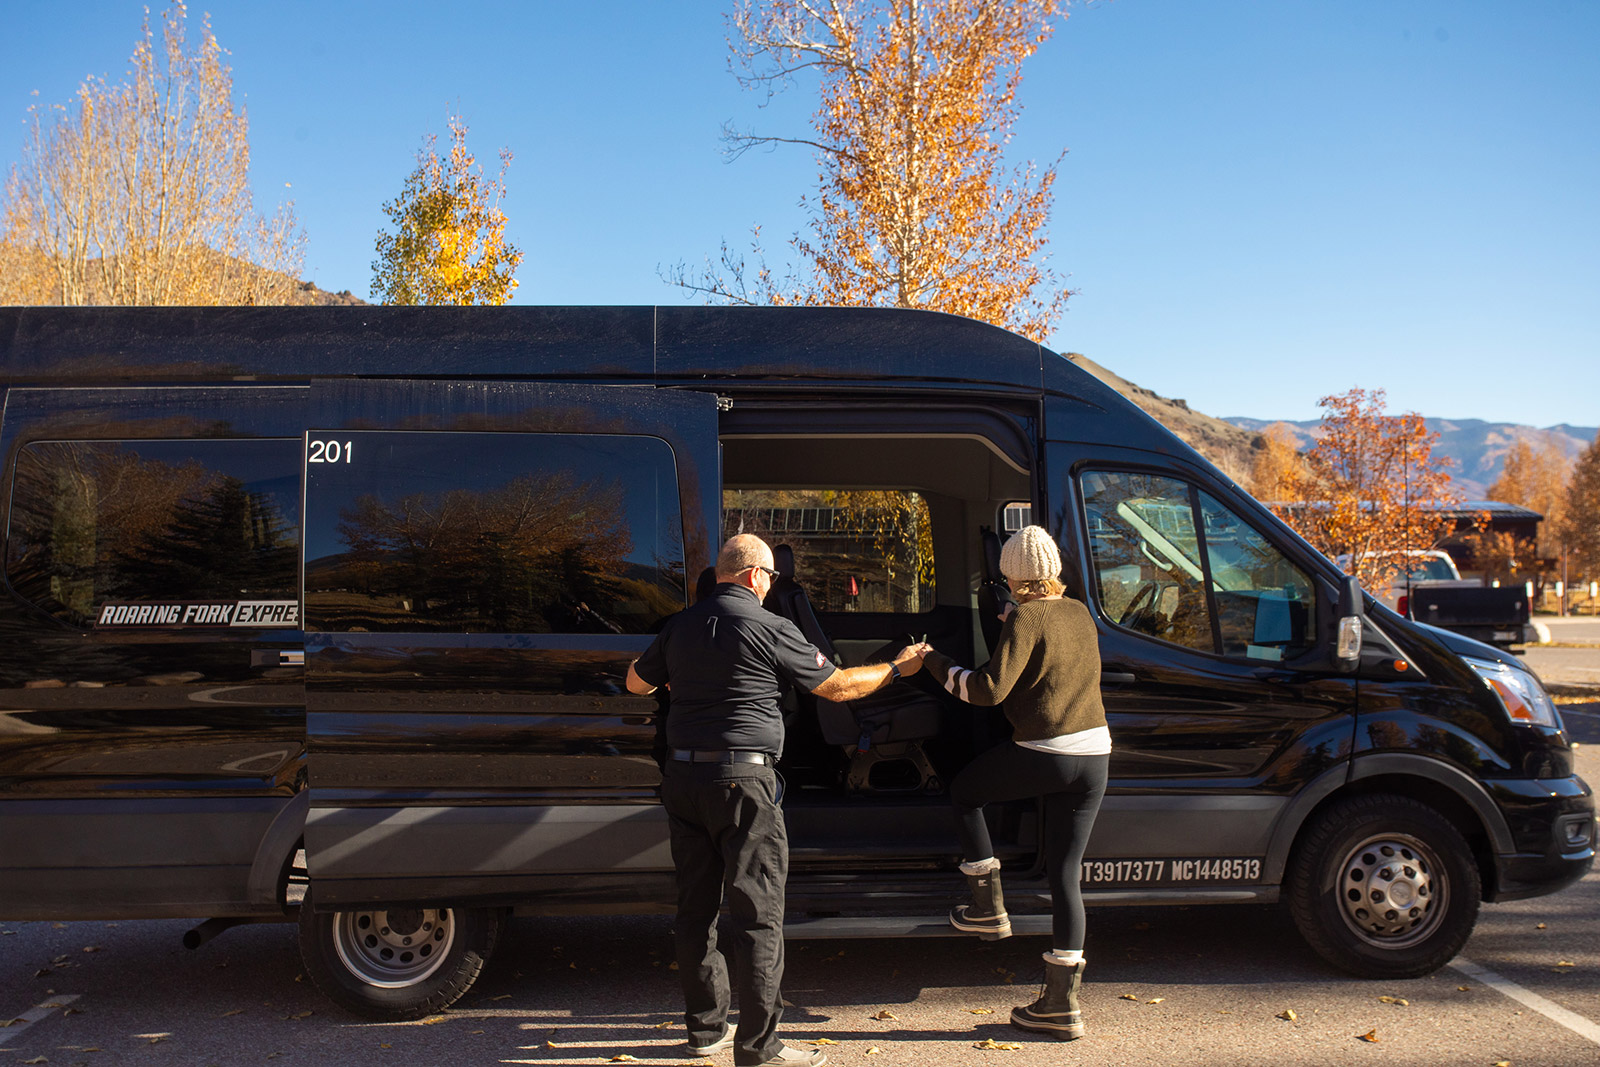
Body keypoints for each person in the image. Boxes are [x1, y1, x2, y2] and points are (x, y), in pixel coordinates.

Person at [627, 533, 925, 1067]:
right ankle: (761, 1048)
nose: (770, 587)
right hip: (744, 782)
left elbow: (633, 683)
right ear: (754, 575)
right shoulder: (769, 626)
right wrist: (897, 668)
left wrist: (680, 680)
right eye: (770, 578)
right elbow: (838, 688)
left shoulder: (680, 626)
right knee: (758, 913)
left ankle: (704, 1032)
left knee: (696, 910)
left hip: (684, 781)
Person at [911, 524, 1109, 1041]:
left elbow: (989, 691)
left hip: (1047, 752)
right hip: (1095, 756)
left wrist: (931, 661)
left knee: (965, 793)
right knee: (1066, 876)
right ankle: (1061, 1006)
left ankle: (985, 908)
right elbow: (1054, 657)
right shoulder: (1079, 612)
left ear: (1012, 576)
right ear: (1054, 571)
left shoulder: (1025, 615)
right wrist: (1010, 625)